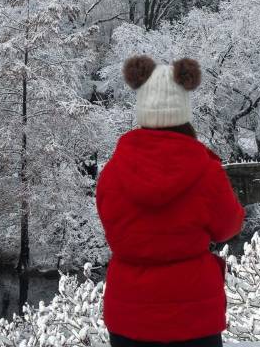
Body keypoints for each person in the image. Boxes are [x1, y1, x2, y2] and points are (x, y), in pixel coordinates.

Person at [96, 55, 245, 347]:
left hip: (130, 313)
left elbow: (111, 226)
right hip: (193, 315)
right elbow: (229, 226)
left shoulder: (113, 172)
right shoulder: (205, 171)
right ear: (183, 113)